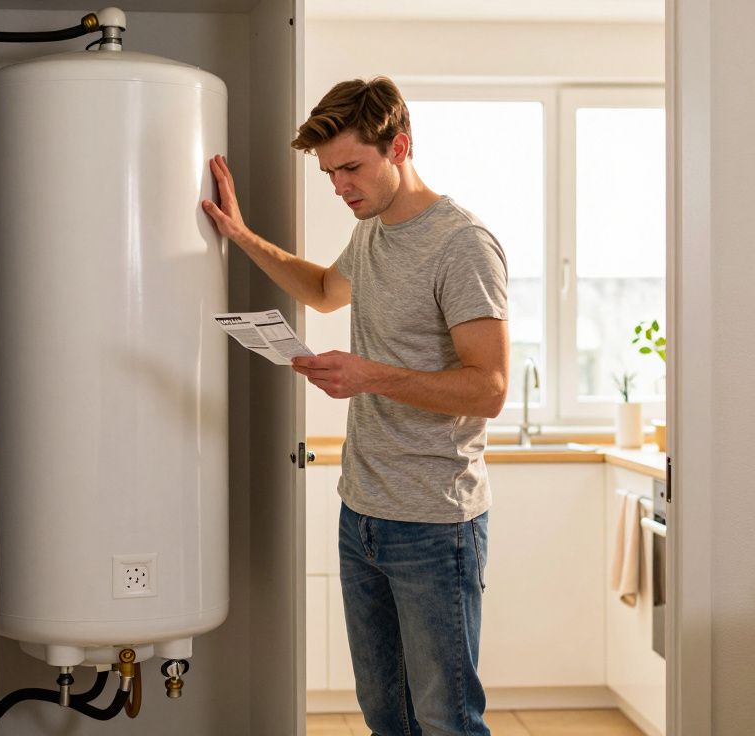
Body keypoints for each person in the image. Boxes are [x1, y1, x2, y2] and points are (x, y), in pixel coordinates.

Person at [202, 76, 509, 736]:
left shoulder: (461, 244)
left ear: (399, 146)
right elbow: (320, 290)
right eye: (329, 173)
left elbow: (489, 388)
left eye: (351, 168)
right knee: (386, 716)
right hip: (362, 514)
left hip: (434, 523)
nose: (340, 187)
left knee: (446, 718)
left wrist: (370, 375)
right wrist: (241, 234)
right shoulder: (372, 234)